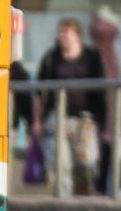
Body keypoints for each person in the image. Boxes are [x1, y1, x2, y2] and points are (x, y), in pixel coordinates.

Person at [34, 17, 107, 194]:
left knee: (87, 162)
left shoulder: (92, 56)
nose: (62, 36)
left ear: (77, 35)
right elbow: (39, 91)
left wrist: (105, 122)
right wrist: (37, 120)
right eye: (60, 32)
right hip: (56, 118)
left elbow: (102, 89)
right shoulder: (51, 57)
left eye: (66, 32)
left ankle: (83, 194)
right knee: (60, 162)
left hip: (85, 118)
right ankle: (63, 199)